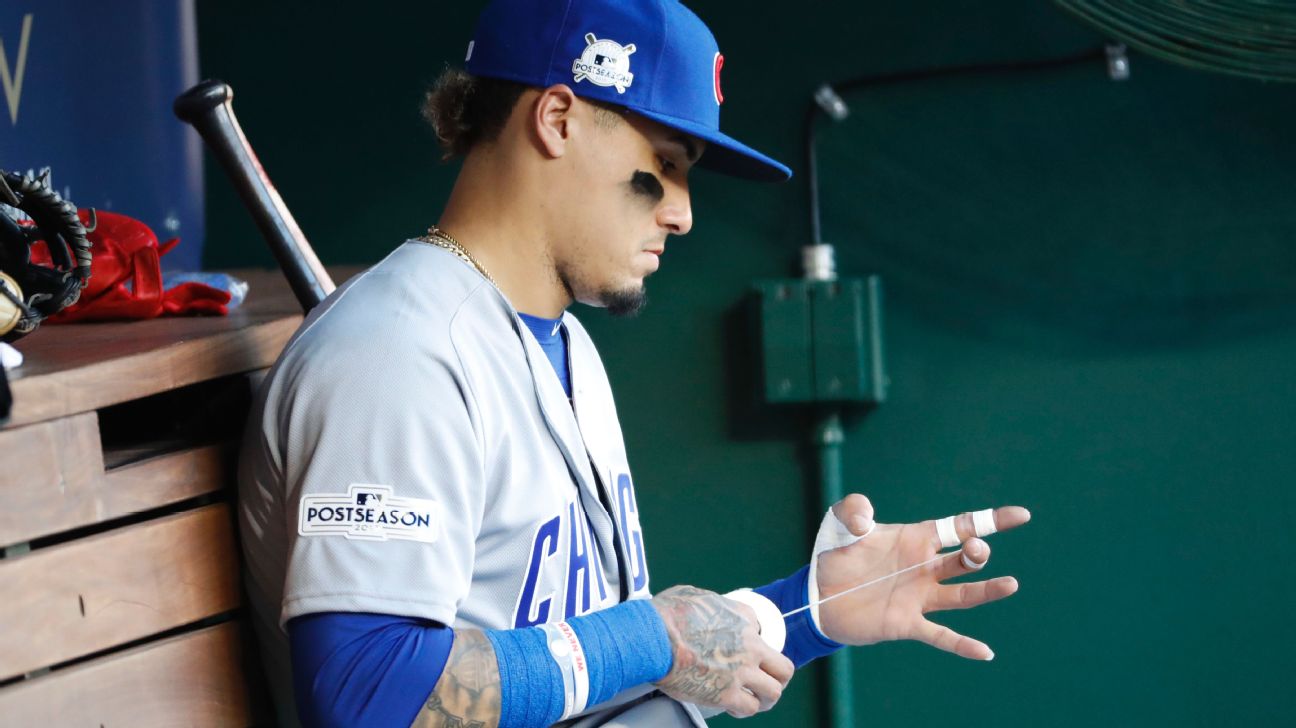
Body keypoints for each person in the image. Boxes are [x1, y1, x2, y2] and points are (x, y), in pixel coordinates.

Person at [237, 1, 1031, 726]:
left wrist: (811, 608)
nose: (682, 212)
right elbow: (366, 696)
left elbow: (599, 669)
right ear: (556, 118)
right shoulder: (398, 355)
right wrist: (651, 635)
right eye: (667, 160)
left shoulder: (562, 342)